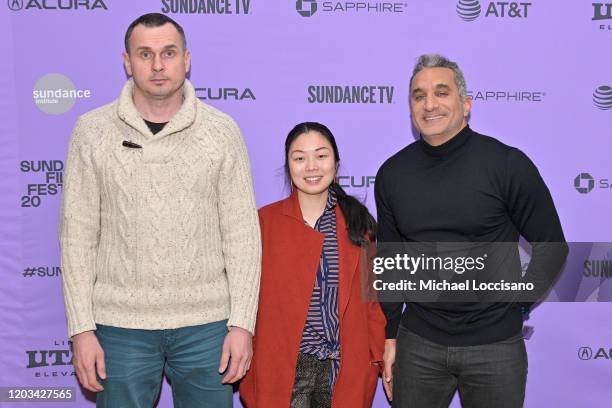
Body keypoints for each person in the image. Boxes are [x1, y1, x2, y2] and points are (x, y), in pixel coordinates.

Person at [59, 13, 261, 408]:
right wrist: (81, 329)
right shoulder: (91, 132)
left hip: (207, 326)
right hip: (119, 328)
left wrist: (242, 323)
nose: (157, 65)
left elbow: (242, 236)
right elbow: (77, 237)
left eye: (168, 53)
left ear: (186, 59)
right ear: (126, 61)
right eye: (145, 54)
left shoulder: (221, 132)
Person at [375, 54, 568, 407]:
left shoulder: (507, 165)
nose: (429, 104)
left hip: (495, 346)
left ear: (466, 105)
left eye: (441, 92)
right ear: (411, 108)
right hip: (419, 344)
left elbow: (553, 246)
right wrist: (391, 336)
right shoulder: (392, 174)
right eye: (418, 96)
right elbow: (391, 262)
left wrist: (517, 303)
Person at [240, 122, 386, 407]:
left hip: (343, 368)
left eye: (321, 156)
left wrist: (377, 358)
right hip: (285, 367)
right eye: (299, 157)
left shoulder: (359, 224)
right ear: (288, 165)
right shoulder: (264, 223)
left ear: (336, 162)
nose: (311, 167)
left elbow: (373, 302)